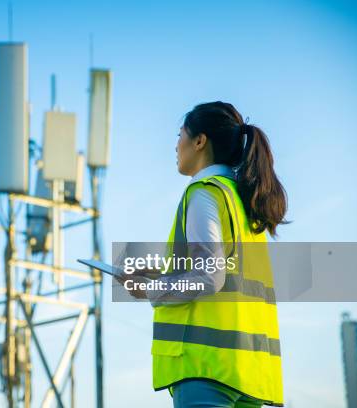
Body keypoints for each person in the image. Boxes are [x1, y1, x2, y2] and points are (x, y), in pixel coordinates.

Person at [116, 101, 288, 407]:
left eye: (179, 134)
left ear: (199, 141)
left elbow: (210, 276)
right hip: (249, 372)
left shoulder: (204, 192)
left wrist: (150, 289)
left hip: (206, 370)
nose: (175, 145)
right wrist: (163, 273)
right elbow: (228, 270)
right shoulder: (243, 201)